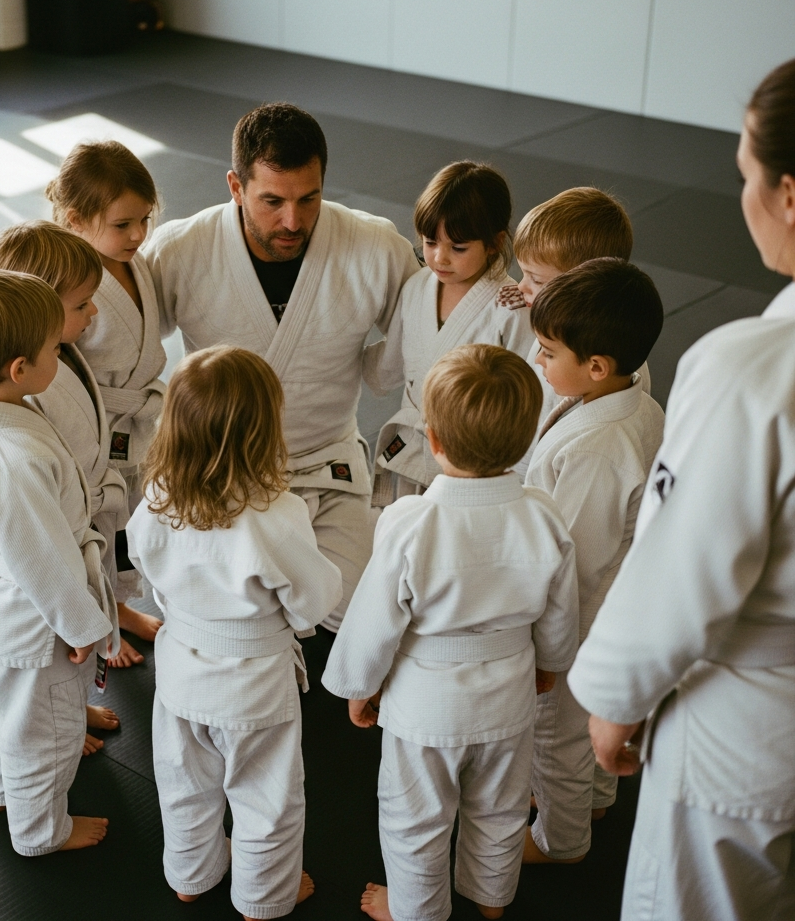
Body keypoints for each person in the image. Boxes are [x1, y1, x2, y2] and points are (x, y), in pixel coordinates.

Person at [569, 58, 795, 919]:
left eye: (746, 175)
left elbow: (684, 574)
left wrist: (614, 704)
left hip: (754, 731)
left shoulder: (754, 371)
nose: (742, 198)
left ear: (790, 194)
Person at [322, 345, 579, 921]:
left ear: (432, 441)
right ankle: (491, 898)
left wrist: (360, 686)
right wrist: (550, 664)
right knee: (500, 806)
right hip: (510, 694)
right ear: (527, 438)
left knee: (416, 815)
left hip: (426, 705)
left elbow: (374, 620)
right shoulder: (542, 515)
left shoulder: (410, 521)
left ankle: (416, 910)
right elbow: (561, 612)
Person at [146, 103, 419, 630]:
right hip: (216, 469)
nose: (293, 220)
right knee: (219, 613)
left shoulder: (374, 247)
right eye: (272, 201)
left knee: (361, 612)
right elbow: (123, 341)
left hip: (324, 462)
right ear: (235, 185)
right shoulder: (182, 249)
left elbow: (434, 331)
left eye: (309, 198)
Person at [126, 346, 342, 919]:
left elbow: (145, 571)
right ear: (264, 430)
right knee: (266, 798)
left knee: (184, 785)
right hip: (254, 687)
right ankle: (264, 897)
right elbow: (314, 601)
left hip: (179, 677)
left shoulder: (154, 503)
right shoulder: (277, 515)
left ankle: (190, 876)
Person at [0, 270, 116, 855]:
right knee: (46, 735)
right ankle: (40, 832)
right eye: (53, 349)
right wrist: (80, 625)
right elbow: (43, 560)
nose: (60, 354)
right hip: (34, 623)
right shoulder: (12, 455)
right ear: (19, 369)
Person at [521, 259, 664, 865]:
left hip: (580, 616)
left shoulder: (600, 446)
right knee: (581, 728)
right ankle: (597, 799)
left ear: (596, 367)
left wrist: (541, 641)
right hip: (614, 601)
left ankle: (560, 840)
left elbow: (572, 557)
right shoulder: (631, 399)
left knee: (555, 738)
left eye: (550, 351)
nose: (538, 358)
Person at [0, 221, 131, 750]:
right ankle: (62, 724)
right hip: (54, 527)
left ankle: (74, 703)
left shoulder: (57, 355)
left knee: (77, 631)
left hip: (81, 505)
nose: (94, 313)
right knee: (59, 651)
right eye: (82, 305)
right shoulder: (27, 387)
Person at [47, 141, 165, 666]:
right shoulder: (67, 277)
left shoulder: (132, 263)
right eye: (123, 225)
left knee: (131, 516)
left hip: (135, 418)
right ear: (76, 220)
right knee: (96, 524)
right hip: (93, 423)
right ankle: (98, 621)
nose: (138, 235)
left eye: (144, 219)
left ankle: (120, 605)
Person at [363, 161, 532, 505]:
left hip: (471, 460)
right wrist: (336, 350)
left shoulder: (510, 309)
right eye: (429, 242)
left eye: (458, 248)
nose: (439, 258)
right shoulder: (416, 287)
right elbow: (389, 365)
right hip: (411, 448)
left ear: (494, 243)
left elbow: (524, 399)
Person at [499, 187, 652, 470]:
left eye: (536, 280)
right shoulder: (557, 327)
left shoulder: (615, 363)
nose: (521, 287)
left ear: (581, 284)